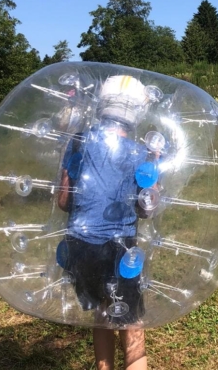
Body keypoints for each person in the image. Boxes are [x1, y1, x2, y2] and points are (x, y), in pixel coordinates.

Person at [58, 74, 152, 370]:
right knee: (131, 322)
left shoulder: (77, 142)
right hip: (119, 250)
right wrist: (153, 172)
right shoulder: (141, 153)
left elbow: (63, 201)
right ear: (138, 111)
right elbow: (146, 210)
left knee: (101, 315)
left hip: (79, 246)